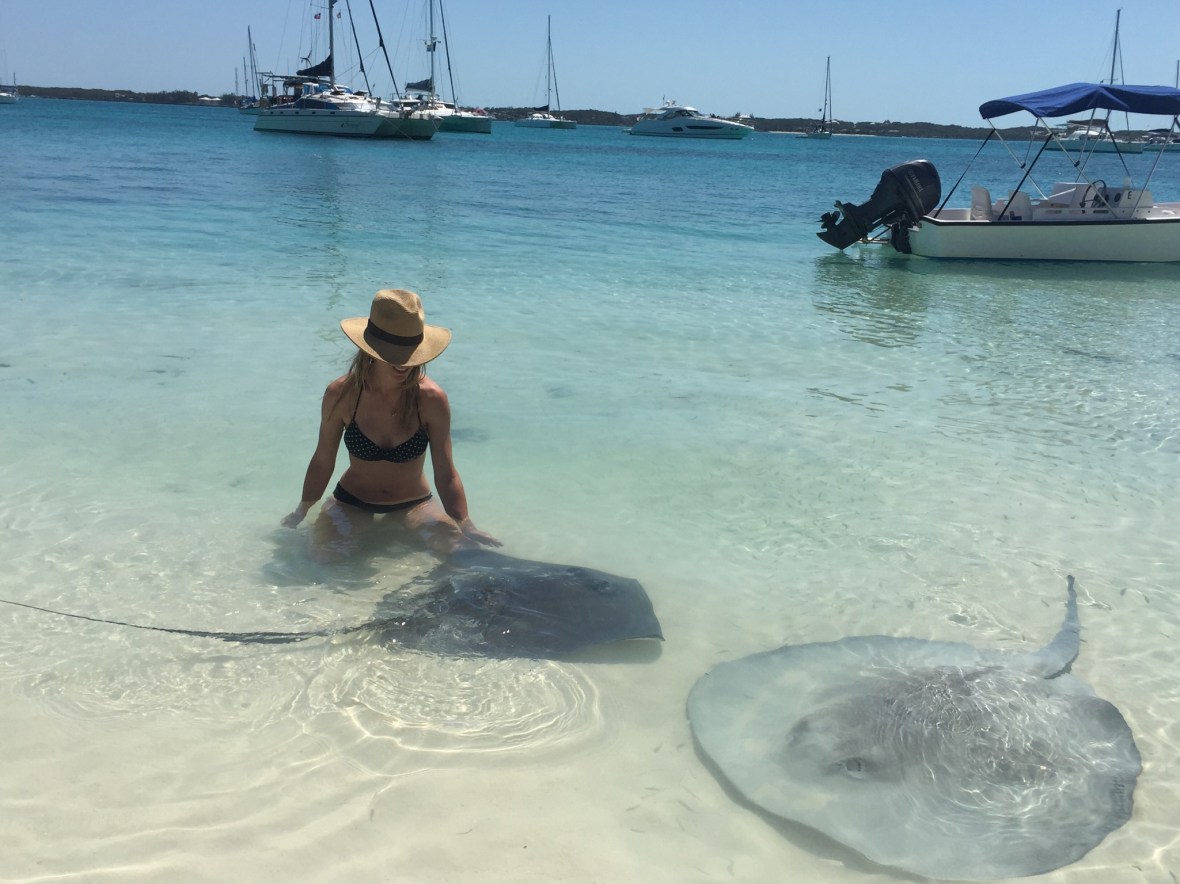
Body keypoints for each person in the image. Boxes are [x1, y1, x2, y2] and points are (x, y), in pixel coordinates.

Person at [281, 288, 500, 560]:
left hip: (415, 504)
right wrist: (302, 509)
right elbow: (322, 461)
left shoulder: (431, 399)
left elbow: (446, 473)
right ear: (372, 349)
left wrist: (465, 524)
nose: (404, 363)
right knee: (326, 559)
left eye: (410, 352)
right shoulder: (342, 394)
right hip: (352, 502)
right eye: (395, 353)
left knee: (465, 556)